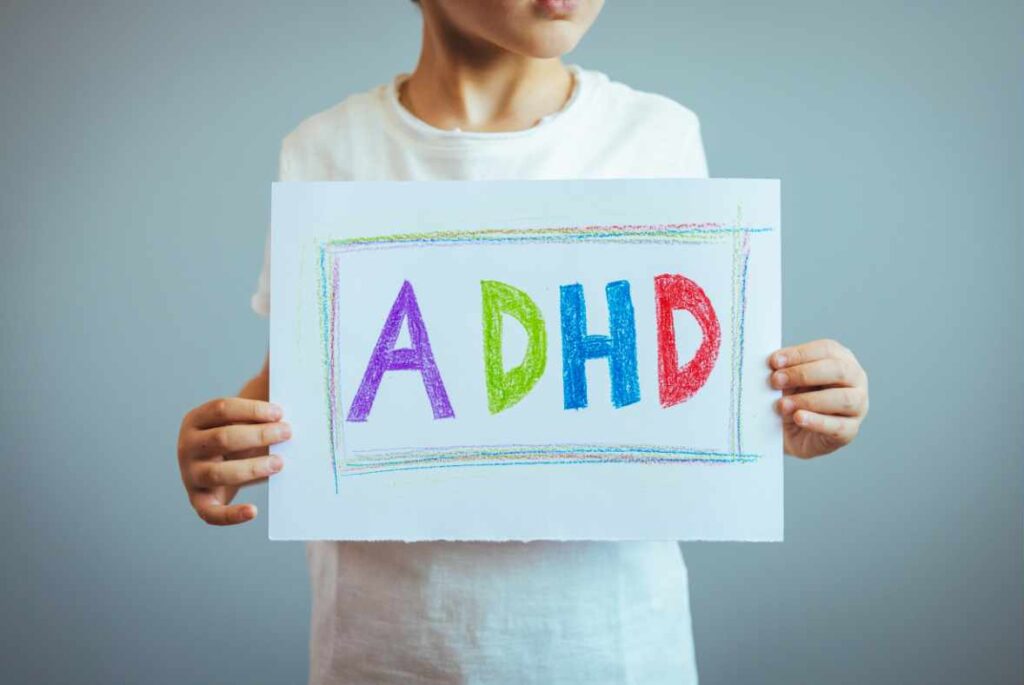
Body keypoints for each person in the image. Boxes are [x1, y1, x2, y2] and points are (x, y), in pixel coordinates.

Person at [176, 1, 870, 682]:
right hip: (381, 649)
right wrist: (222, 443)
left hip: (612, 647)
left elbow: (689, 375)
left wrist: (804, 402)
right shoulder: (325, 150)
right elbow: (305, 378)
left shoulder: (654, 136)